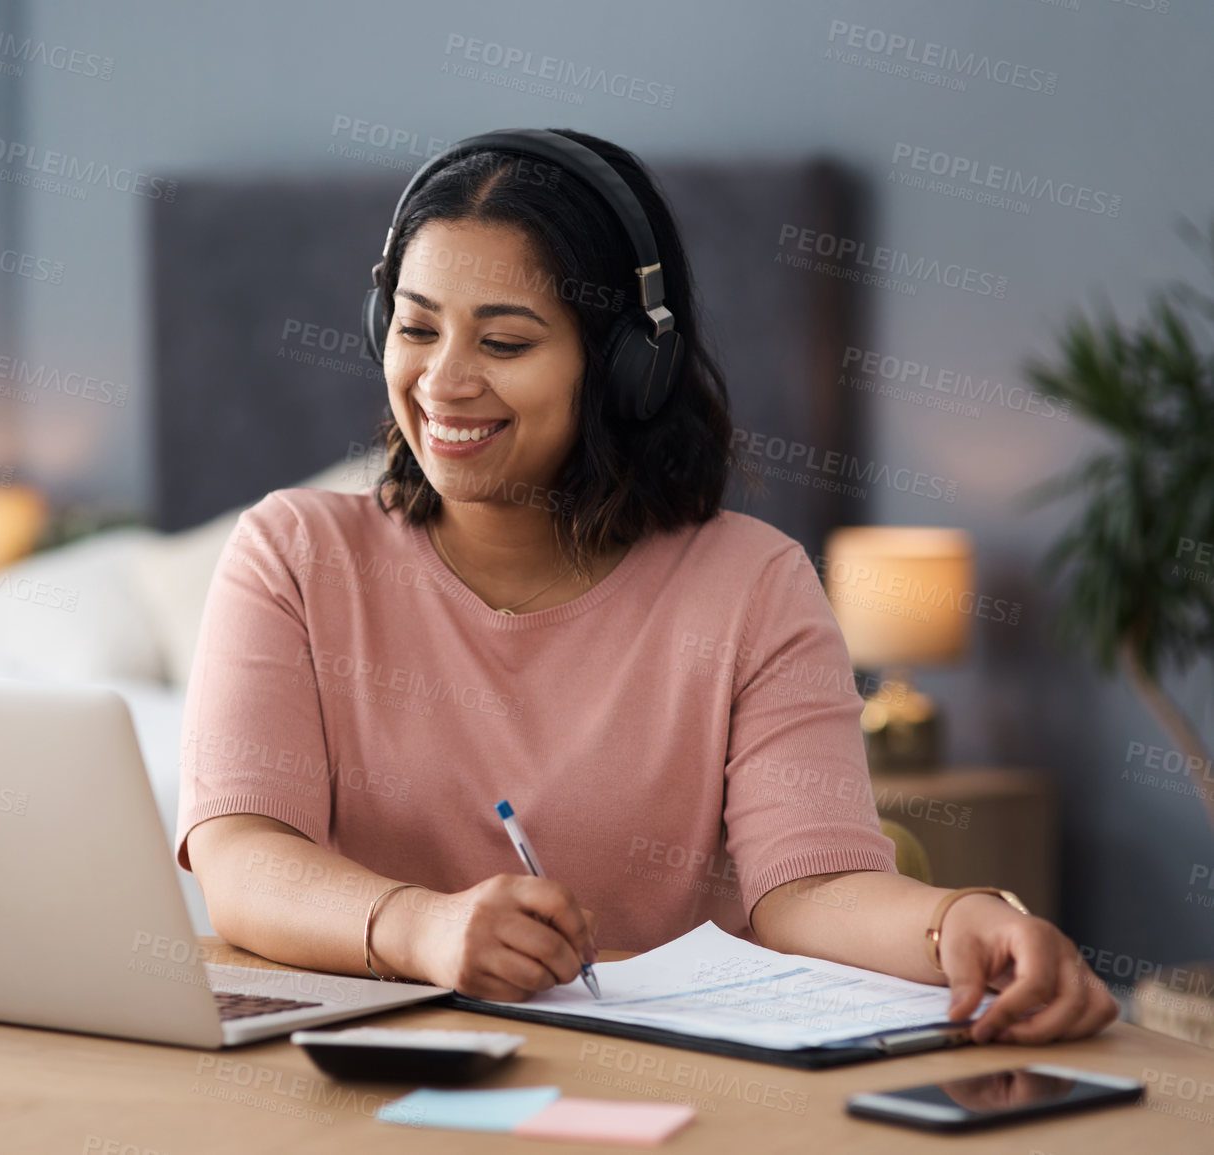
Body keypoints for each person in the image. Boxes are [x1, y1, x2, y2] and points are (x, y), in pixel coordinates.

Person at [175, 128, 1117, 1045]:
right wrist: (423, 928)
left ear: (630, 362)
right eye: (417, 328)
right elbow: (243, 858)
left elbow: (805, 891)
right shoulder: (292, 554)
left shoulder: (752, 585)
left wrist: (961, 924)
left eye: (504, 342)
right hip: (355, 1093)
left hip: (661, 1093)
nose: (442, 380)